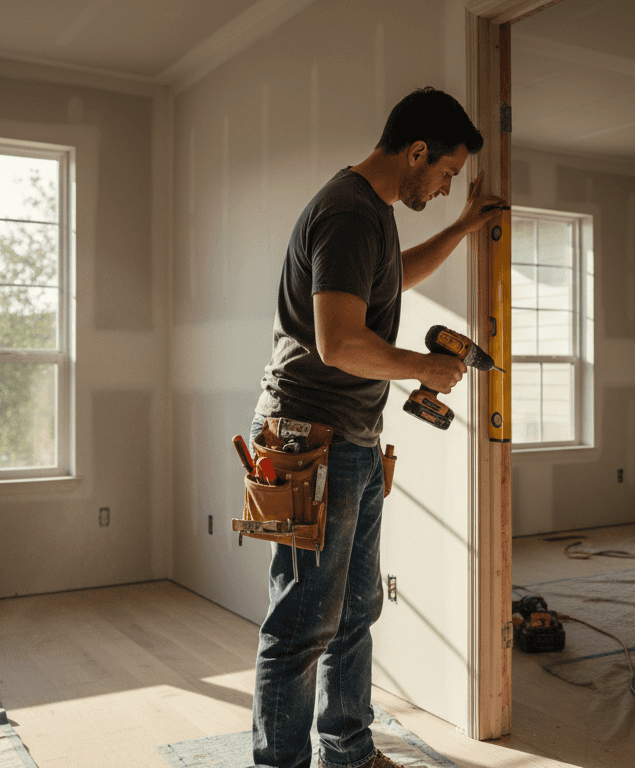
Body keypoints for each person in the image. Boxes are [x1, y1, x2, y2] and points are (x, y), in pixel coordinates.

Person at [249, 86, 506, 768]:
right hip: (309, 439)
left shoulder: (373, 214)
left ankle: (349, 752)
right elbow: (337, 342)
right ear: (415, 152)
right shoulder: (349, 212)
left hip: (348, 440)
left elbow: (390, 279)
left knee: (356, 611)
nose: (447, 187)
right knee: (303, 622)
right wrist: (422, 366)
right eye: (446, 174)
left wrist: (459, 230)